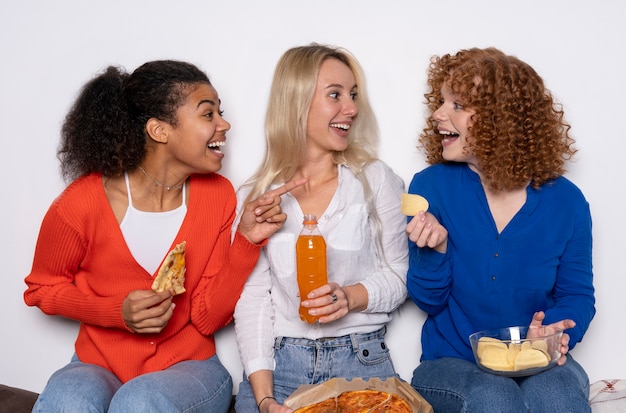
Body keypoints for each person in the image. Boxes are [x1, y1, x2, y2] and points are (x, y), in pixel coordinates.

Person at [24, 60, 302, 412]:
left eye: (221, 112)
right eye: (208, 114)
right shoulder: (81, 203)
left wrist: (245, 241)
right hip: (96, 365)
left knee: (140, 402)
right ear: (159, 130)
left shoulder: (217, 196)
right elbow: (41, 289)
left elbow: (206, 318)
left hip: (189, 368)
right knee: (67, 402)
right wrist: (115, 312)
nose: (224, 124)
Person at [406, 47, 595, 412]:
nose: (438, 114)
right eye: (442, 101)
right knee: (496, 397)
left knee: (556, 396)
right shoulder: (430, 188)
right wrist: (436, 251)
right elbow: (427, 300)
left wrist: (555, 332)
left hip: (538, 361)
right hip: (451, 363)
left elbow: (577, 295)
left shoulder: (567, 202)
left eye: (457, 105)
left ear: (501, 120)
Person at [232, 44, 409, 413]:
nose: (352, 108)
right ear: (296, 101)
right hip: (280, 368)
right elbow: (253, 300)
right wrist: (264, 398)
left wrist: (350, 296)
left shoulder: (375, 180)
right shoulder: (257, 197)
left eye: (353, 95)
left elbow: (401, 275)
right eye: (335, 95)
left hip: (361, 364)